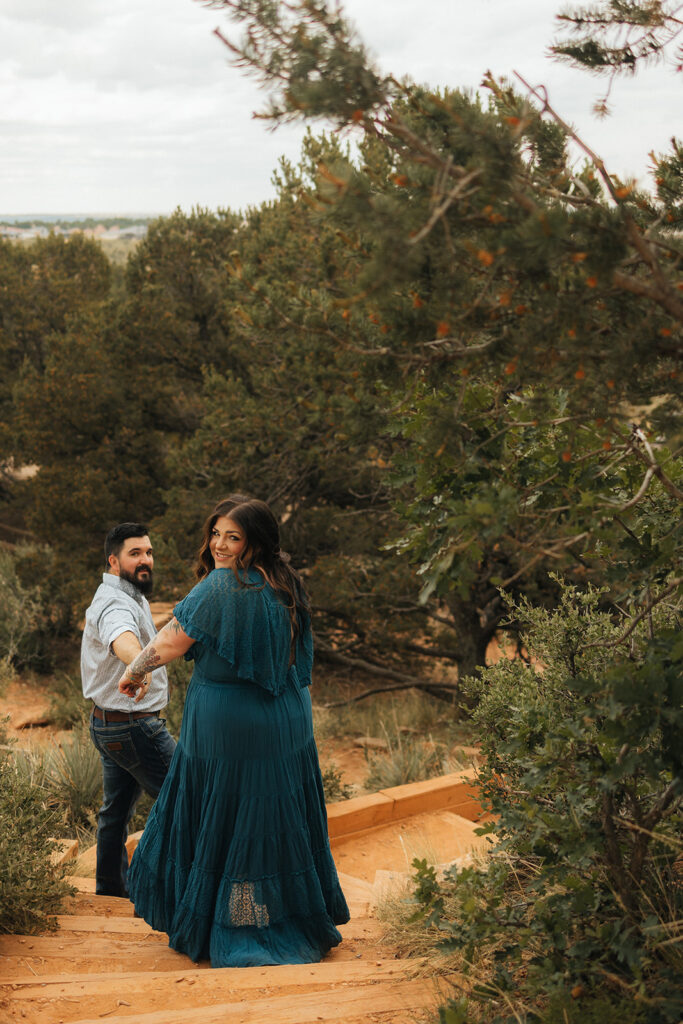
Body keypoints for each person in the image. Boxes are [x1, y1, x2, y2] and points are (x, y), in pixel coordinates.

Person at [116, 497, 350, 967]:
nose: (220, 545)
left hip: (230, 726)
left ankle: (234, 926)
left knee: (228, 819)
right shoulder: (287, 582)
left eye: (233, 536)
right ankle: (278, 919)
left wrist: (135, 672)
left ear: (254, 542)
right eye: (216, 534)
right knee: (268, 820)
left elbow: (170, 641)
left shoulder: (222, 586)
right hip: (287, 720)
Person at [81, 523, 176, 897]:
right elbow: (121, 636)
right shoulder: (114, 602)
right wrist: (138, 665)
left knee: (115, 813)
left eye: (149, 552)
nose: (145, 560)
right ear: (113, 560)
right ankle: (160, 889)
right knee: (189, 796)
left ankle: (110, 887)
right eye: (135, 553)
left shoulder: (128, 592)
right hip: (133, 729)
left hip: (109, 726)